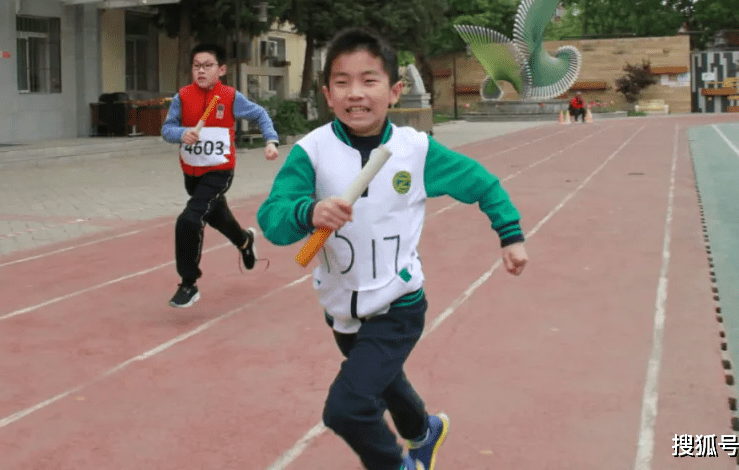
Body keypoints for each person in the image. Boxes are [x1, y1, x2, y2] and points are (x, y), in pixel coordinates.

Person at [258, 28, 529, 470]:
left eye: (369, 80)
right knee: (386, 385)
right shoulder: (312, 152)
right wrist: (308, 212)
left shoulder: (414, 151)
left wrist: (510, 234)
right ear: (328, 94)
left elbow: (483, 183)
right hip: (342, 308)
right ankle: (425, 432)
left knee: (346, 410)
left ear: (395, 90)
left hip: (398, 303)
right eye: (342, 83)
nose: (356, 94)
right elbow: (273, 219)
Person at [161, 43, 280, 308]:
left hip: (220, 171)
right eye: (196, 66)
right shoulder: (183, 96)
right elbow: (167, 128)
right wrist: (181, 133)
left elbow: (260, 114)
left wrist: (270, 141)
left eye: (207, 65)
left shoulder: (229, 96)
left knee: (189, 220)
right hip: (192, 174)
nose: (201, 71)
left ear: (221, 69)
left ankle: (189, 283)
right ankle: (244, 240)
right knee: (218, 216)